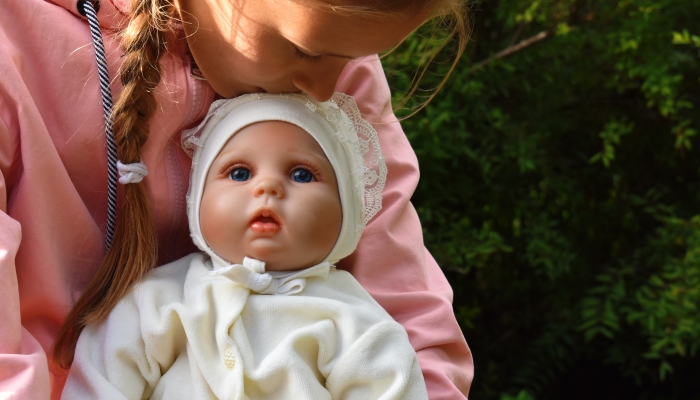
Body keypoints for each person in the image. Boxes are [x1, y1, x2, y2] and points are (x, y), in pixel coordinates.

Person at [0, 0, 473, 399]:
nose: (328, 89)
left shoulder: (339, 60)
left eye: (353, 58)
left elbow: (408, 315)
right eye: (305, 51)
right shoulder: (13, 43)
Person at [62, 92, 430, 399]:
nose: (267, 187)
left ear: (346, 214)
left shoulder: (354, 320)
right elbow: (99, 384)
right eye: (239, 173)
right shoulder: (158, 302)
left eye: (302, 174)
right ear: (198, 201)